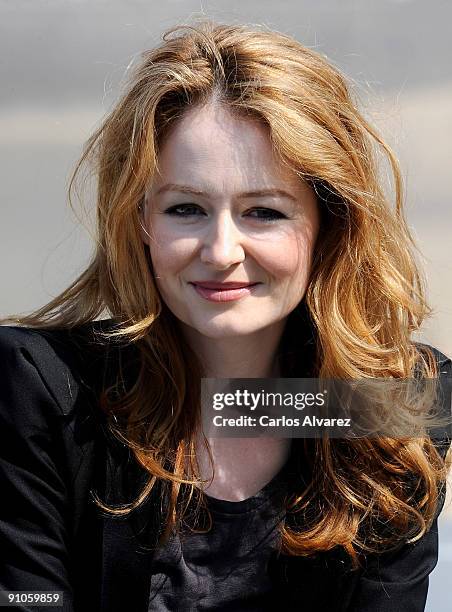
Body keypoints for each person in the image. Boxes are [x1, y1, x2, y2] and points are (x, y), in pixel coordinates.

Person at [0, 19, 451, 612]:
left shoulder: (395, 398)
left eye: (263, 212)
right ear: (139, 222)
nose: (220, 252)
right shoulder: (43, 390)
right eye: (186, 208)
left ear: (329, 226)